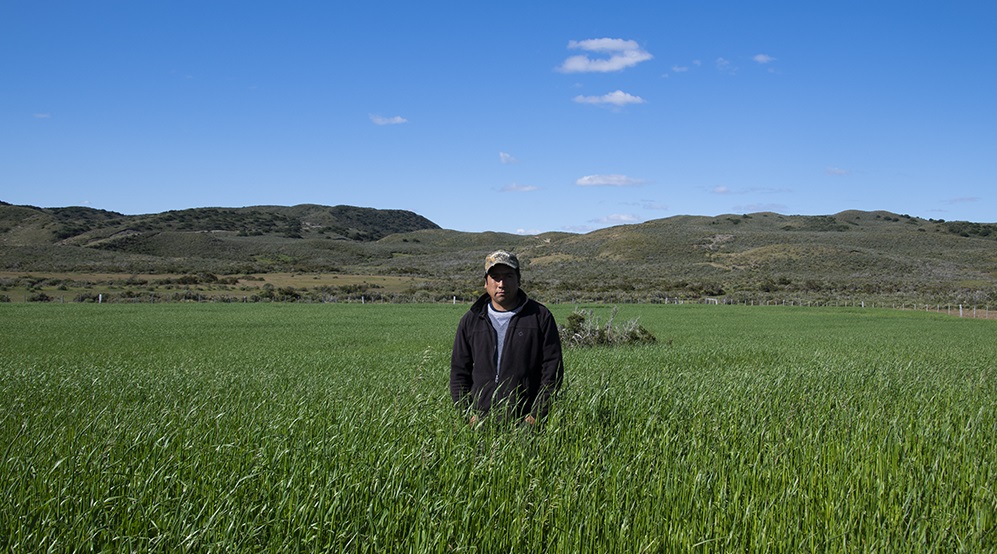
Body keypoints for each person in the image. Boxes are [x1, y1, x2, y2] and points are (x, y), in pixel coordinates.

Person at [450, 250, 564, 427]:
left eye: (508, 276)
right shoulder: (471, 320)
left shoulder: (540, 316)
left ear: (518, 280)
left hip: (526, 422)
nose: (501, 284)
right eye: (495, 277)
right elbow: (459, 372)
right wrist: (466, 415)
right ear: (486, 283)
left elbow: (552, 371)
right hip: (479, 422)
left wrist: (537, 415)